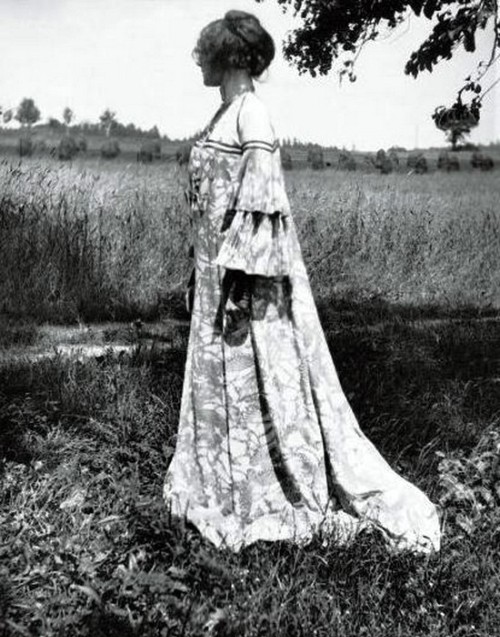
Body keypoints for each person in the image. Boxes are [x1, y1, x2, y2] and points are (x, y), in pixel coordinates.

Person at [163, 10, 441, 554]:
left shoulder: (253, 117)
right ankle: (221, 483)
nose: (200, 63)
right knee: (223, 388)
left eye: (207, 54)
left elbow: (264, 207)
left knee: (262, 382)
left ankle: (266, 490)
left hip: (246, 283)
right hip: (218, 274)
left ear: (229, 58)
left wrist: (239, 284)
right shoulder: (224, 115)